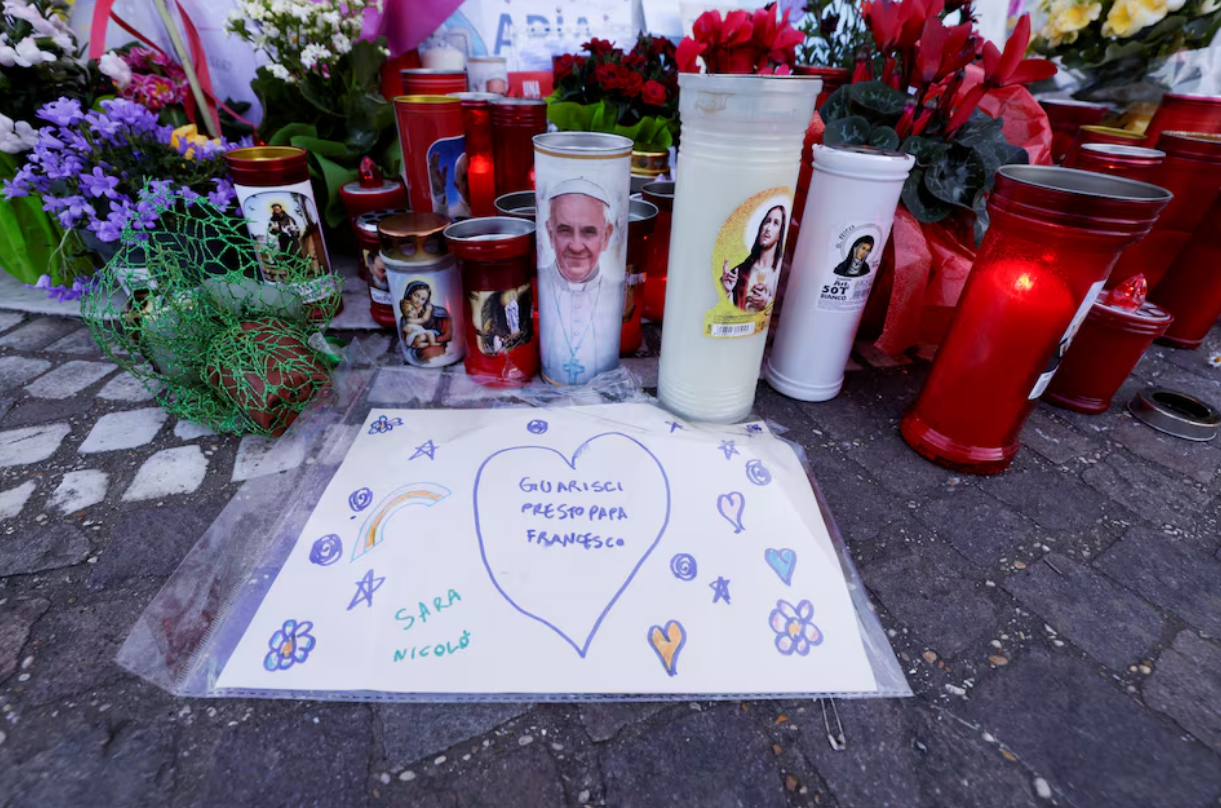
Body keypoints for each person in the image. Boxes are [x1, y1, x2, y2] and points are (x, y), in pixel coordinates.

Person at [537, 177, 623, 385]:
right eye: (564, 230)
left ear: (606, 236)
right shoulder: (536, 285)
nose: (576, 246)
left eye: (589, 231)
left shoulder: (616, 290)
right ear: (550, 233)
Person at [721, 204, 785, 312]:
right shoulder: (742, 270)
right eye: (767, 221)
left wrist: (767, 303)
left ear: (780, 234)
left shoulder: (781, 271)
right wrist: (728, 291)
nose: (768, 228)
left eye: (775, 223)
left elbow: (785, 309)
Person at [398, 280, 452, 363]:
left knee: (432, 352)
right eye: (416, 295)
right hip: (417, 343)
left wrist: (438, 339)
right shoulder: (405, 318)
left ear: (426, 301)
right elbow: (404, 338)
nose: (418, 301)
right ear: (410, 294)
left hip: (437, 342)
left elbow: (448, 332)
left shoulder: (436, 312)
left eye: (423, 299)